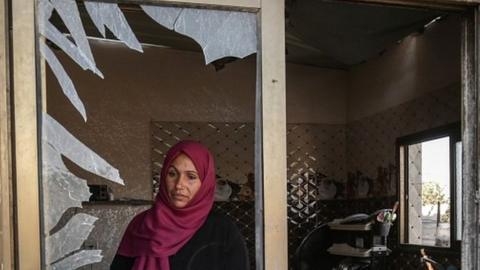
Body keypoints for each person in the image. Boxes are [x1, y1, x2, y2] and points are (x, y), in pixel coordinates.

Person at [110, 140, 249, 270]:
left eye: (191, 177)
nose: (179, 185)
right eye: (172, 174)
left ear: (205, 183)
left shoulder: (222, 230)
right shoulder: (141, 225)